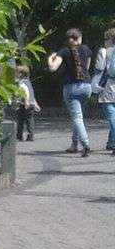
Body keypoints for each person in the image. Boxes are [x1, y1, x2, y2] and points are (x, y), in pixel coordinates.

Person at [47, 28, 93, 157]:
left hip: (71, 87)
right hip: (86, 86)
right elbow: (87, 68)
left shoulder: (64, 51)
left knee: (77, 117)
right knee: (79, 117)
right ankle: (74, 144)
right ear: (79, 38)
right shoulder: (86, 49)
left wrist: (51, 58)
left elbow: (52, 68)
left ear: (68, 40)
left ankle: (86, 144)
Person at [90, 26, 115, 154]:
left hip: (108, 87)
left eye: (106, 38)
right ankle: (111, 142)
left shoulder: (105, 51)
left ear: (110, 38)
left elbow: (99, 68)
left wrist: (95, 82)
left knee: (111, 117)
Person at [14, 64, 40, 141]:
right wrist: (35, 103)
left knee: (21, 120)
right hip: (31, 103)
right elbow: (32, 93)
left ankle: (19, 135)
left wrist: (26, 102)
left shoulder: (21, 83)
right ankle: (30, 135)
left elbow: (25, 92)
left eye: (16, 72)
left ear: (21, 74)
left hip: (24, 104)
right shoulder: (28, 82)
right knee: (29, 119)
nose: (15, 74)